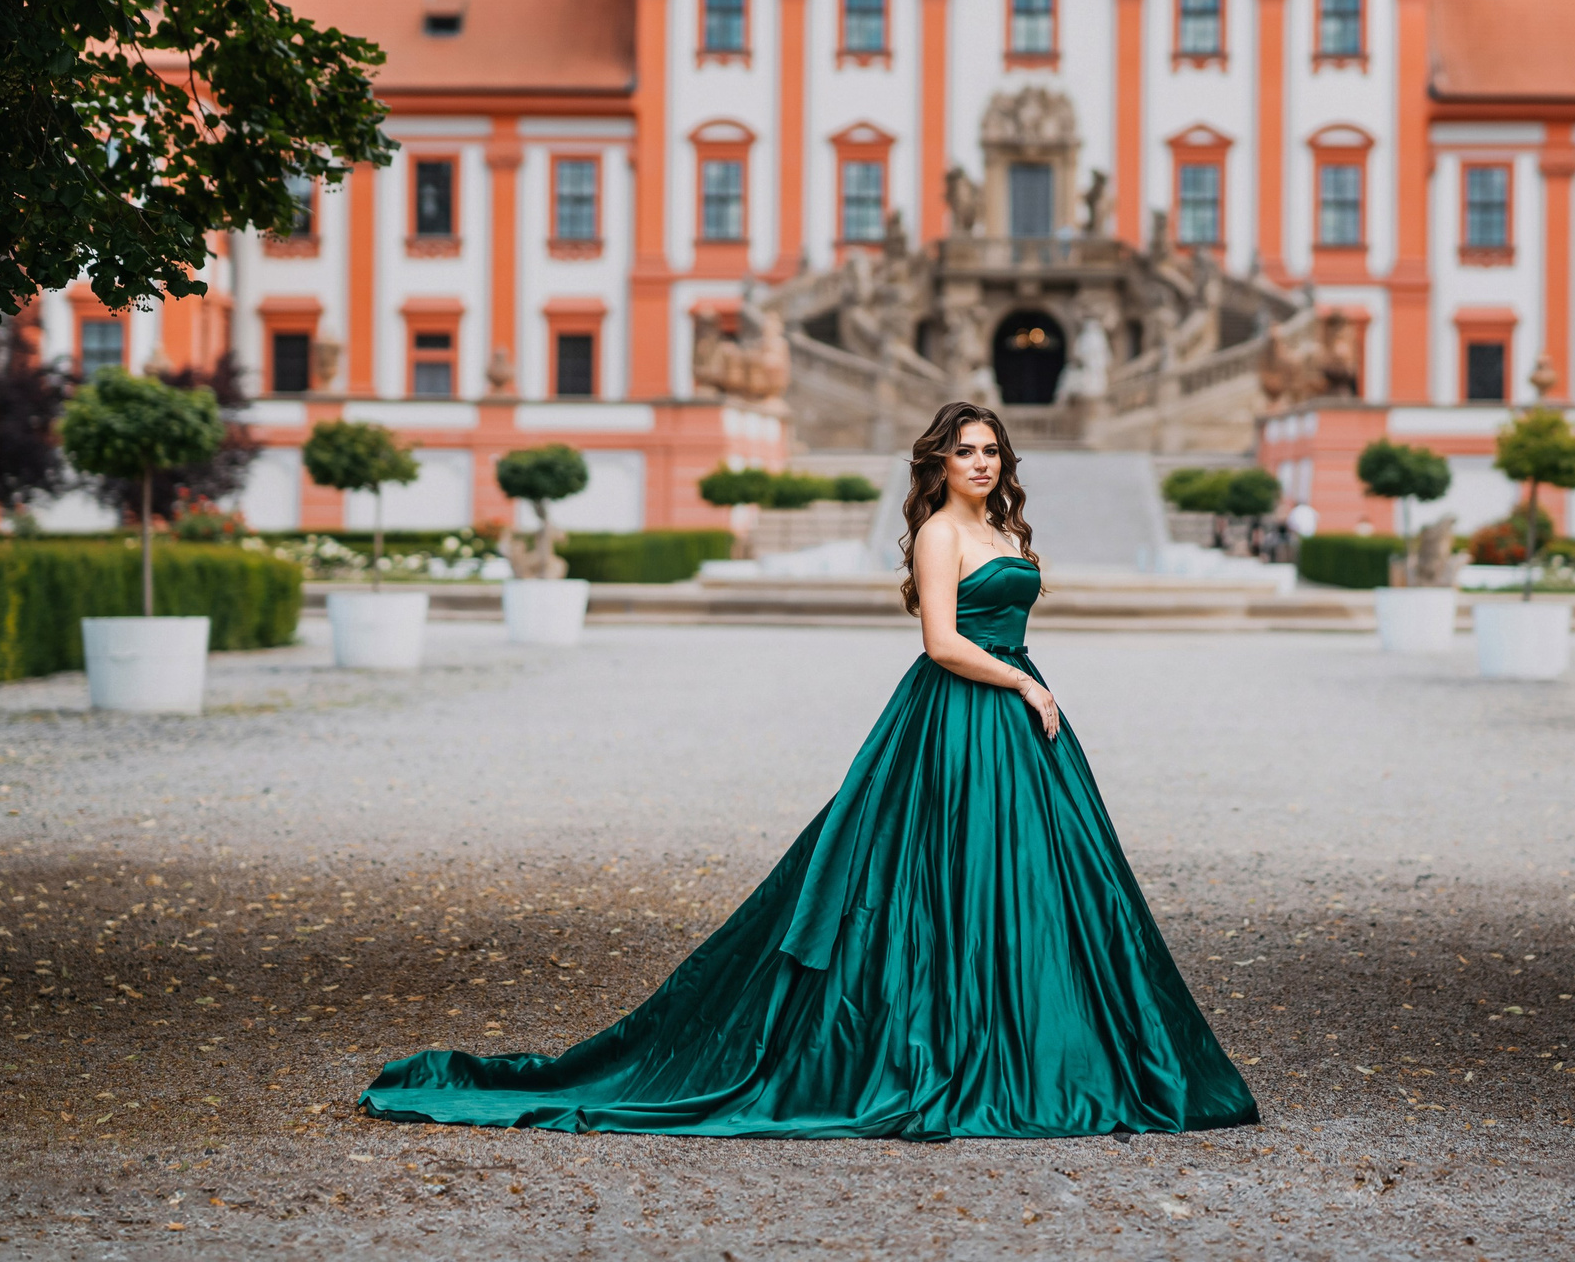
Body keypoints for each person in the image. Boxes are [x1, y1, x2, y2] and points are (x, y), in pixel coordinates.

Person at [357, 401, 1258, 1139]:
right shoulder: (943, 533)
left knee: (1043, 887)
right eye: (964, 451)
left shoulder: (1008, 527)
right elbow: (942, 641)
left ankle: (1045, 1039)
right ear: (938, 464)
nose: (979, 463)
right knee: (933, 880)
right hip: (960, 715)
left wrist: (1027, 687)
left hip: (1019, 716)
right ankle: (952, 1042)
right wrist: (1023, 683)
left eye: (989, 451)